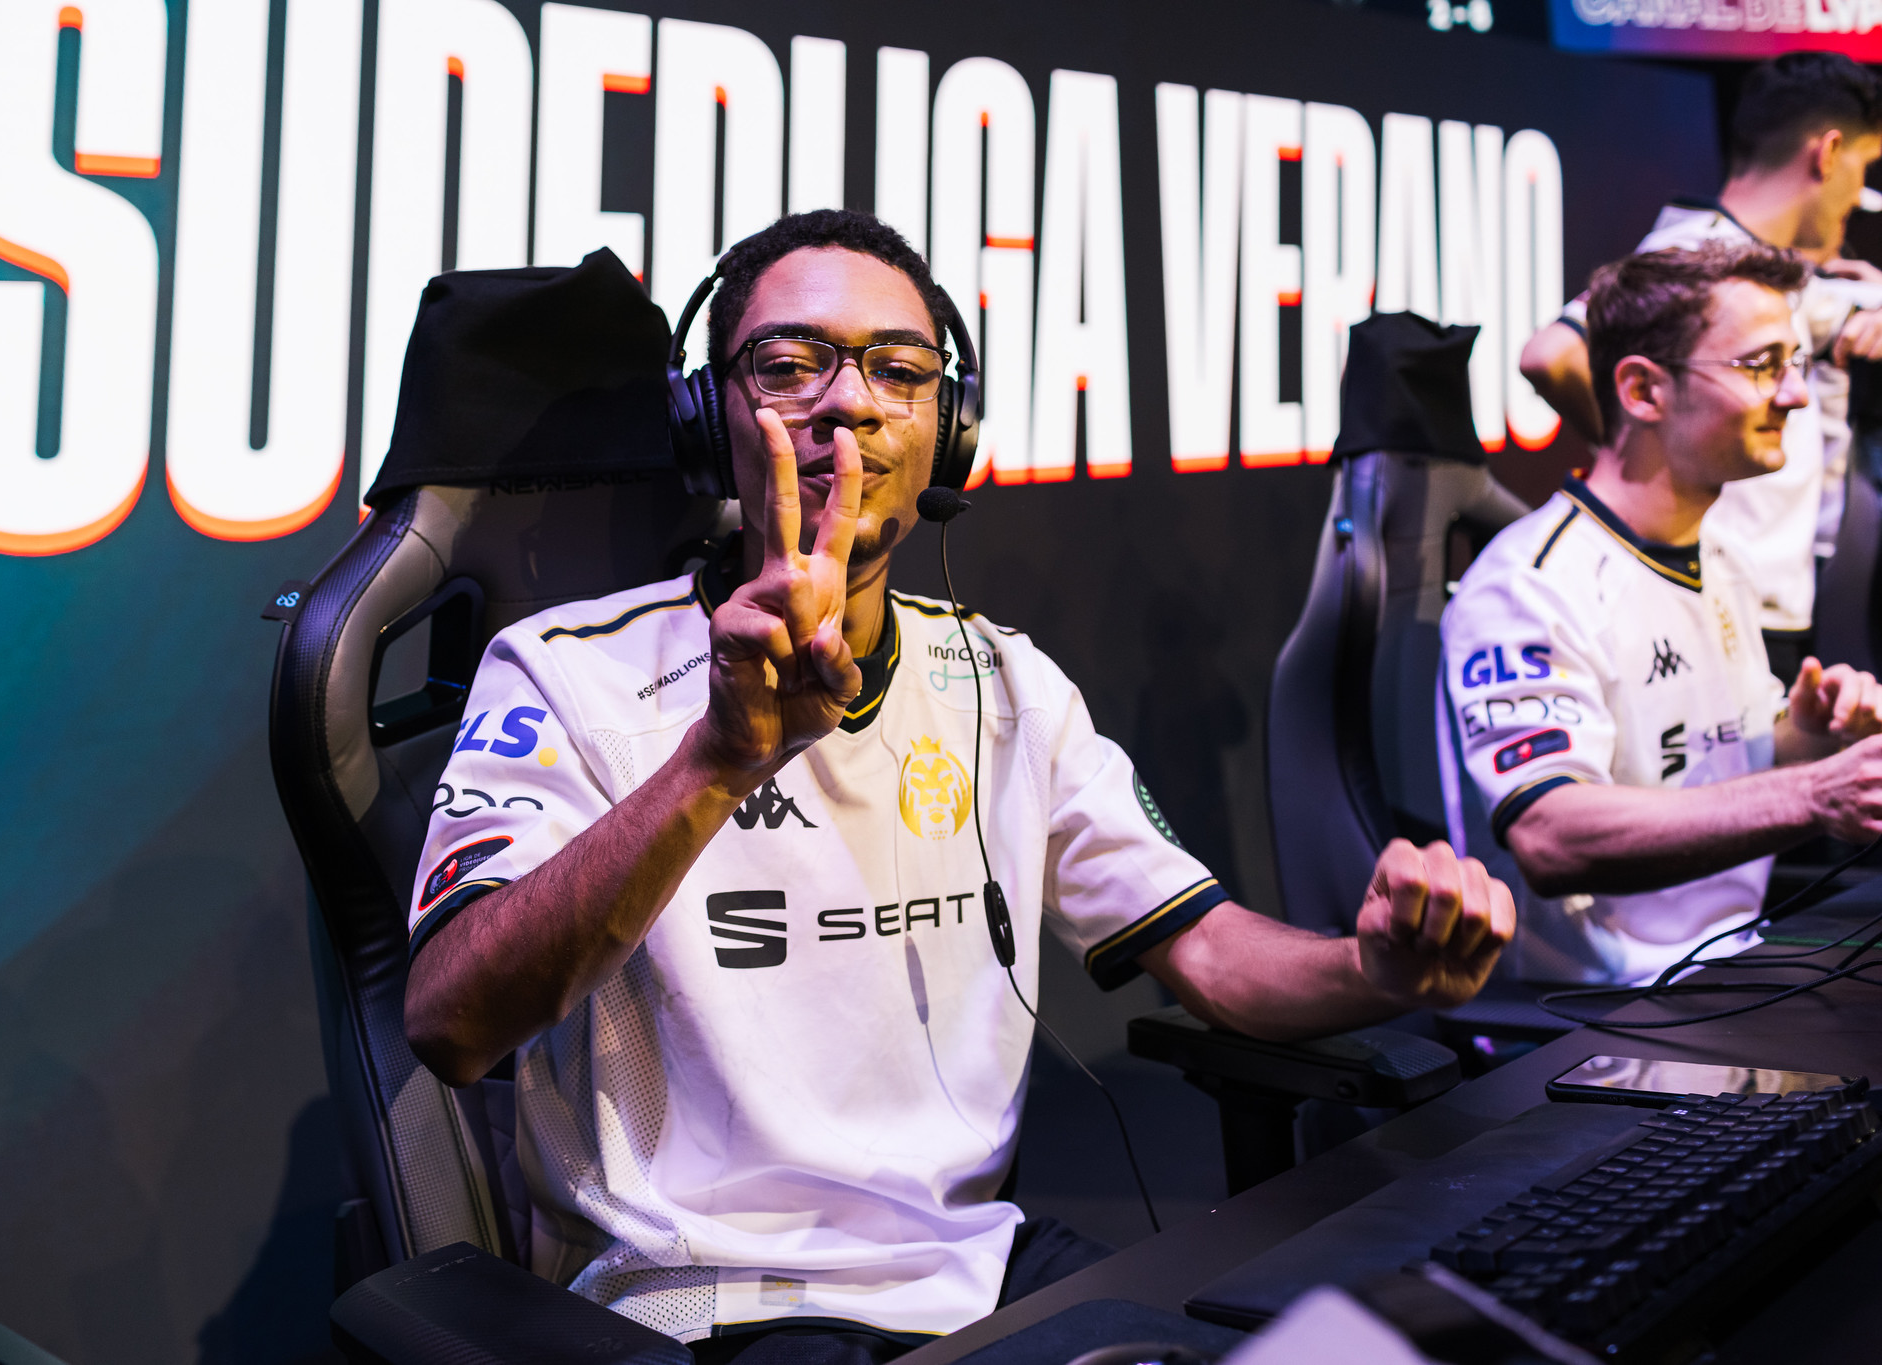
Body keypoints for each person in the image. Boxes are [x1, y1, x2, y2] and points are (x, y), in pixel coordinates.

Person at [402, 210, 1516, 1361]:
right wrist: (715, 760)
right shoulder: (566, 671)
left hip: (975, 1273)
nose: (849, 402)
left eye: (898, 370)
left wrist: (1371, 969)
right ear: (704, 416)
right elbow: (452, 1021)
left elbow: (1214, 954)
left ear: (949, 429)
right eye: (788, 365)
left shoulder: (1001, 680)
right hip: (709, 1301)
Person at [1446, 242, 1882, 985]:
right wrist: (1814, 793)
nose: (1795, 395)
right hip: (1593, 1013)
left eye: (1796, 363)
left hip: (1728, 972)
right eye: (1760, 365)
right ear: (1644, 390)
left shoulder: (1722, 557)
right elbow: (1552, 835)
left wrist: (1805, 739)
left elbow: (1710, 768)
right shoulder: (1528, 586)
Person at [1519, 52, 1882, 683]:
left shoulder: (1773, 271)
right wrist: (1645, 458)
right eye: (1864, 167)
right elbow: (1550, 355)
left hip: (1759, 605)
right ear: (1827, 154)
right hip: (1716, 607)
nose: (1861, 196)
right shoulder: (1694, 257)